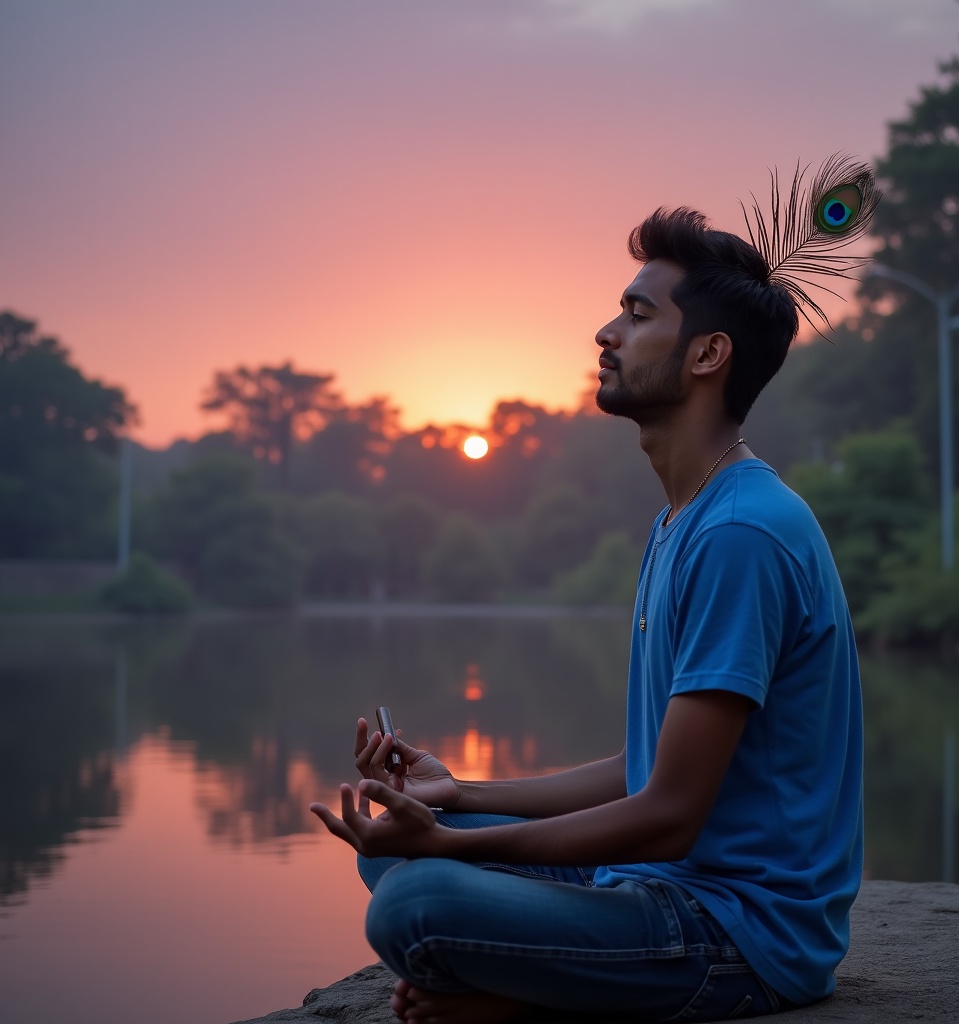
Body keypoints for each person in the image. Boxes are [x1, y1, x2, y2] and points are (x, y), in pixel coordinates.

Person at [310, 204, 863, 1023]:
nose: (605, 332)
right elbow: (644, 767)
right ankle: (539, 985)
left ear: (709, 354)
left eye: (638, 315)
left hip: (739, 935)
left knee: (413, 902)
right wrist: (458, 797)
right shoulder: (686, 518)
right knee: (392, 861)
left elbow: (669, 815)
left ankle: (540, 1004)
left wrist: (452, 848)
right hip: (663, 890)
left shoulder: (741, 535)